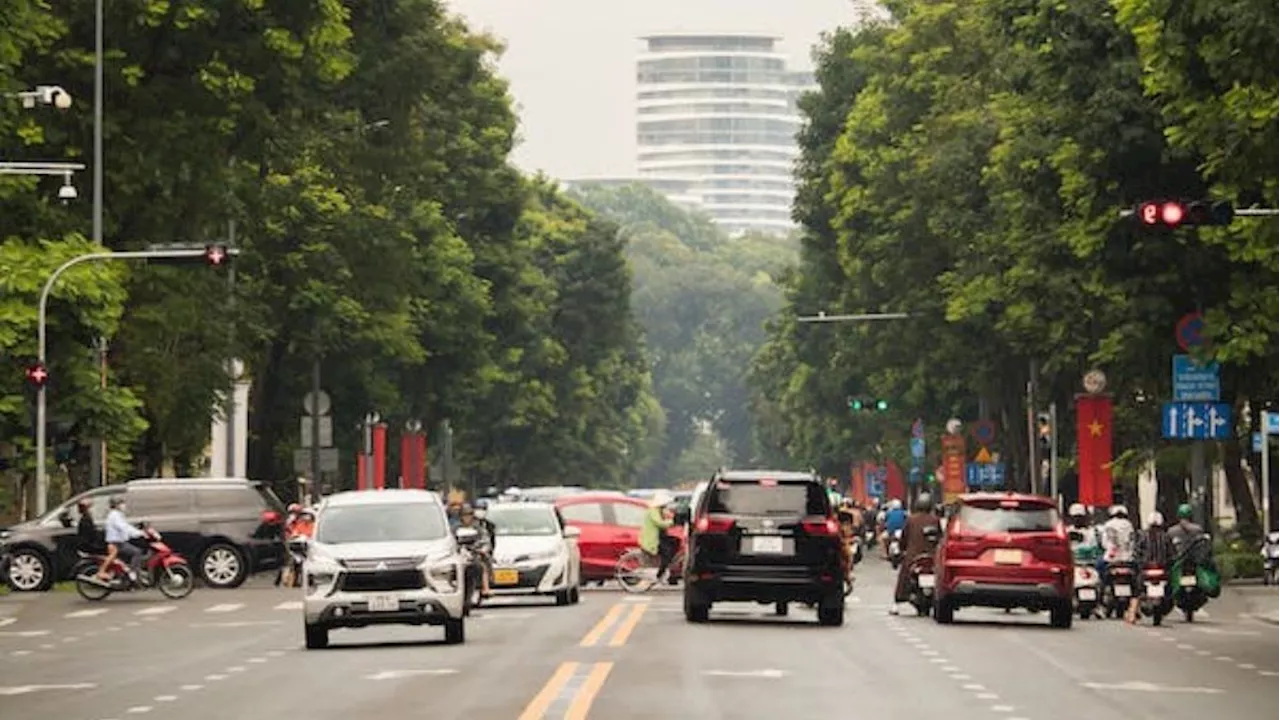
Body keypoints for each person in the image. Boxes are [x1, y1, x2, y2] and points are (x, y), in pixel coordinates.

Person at [891, 492, 941, 615]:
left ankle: (898, 600)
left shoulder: (911, 519)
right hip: (932, 556)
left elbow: (904, 537)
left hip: (913, 556)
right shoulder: (935, 520)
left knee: (904, 577)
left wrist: (902, 548)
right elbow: (941, 537)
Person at [1125, 511, 1175, 623]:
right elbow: (1172, 554)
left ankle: (1132, 614)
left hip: (1147, 569)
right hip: (1161, 570)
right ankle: (1132, 613)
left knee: (1136, 590)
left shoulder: (1143, 536)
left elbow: (1136, 552)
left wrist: (1138, 562)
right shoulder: (1166, 536)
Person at [97, 496, 145, 583]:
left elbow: (126, 526)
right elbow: (124, 527)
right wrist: (139, 533)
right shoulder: (115, 516)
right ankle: (132, 572)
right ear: (116, 505)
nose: (124, 505)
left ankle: (128, 575)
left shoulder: (117, 515)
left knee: (128, 557)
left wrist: (138, 531)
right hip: (116, 544)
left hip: (119, 542)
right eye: (121, 503)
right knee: (137, 552)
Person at [640, 491, 678, 582]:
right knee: (667, 554)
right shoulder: (653, 511)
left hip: (661, 537)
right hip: (653, 539)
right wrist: (672, 522)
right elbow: (660, 523)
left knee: (675, 541)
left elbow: (668, 517)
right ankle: (659, 574)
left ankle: (667, 566)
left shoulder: (659, 510)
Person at [1100, 504, 1137, 592]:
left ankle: (1102, 590)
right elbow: (1133, 542)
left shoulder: (1108, 524)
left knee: (1098, 567)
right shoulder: (1129, 525)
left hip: (1111, 559)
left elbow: (1104, 543)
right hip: (1128, 559)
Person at [457, 504, 492, 597]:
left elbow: (485, 541)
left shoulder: (479, 528)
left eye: (469, 515)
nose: (466, 517)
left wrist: (482, 549)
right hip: (459, 554)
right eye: (464, 515)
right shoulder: (455, 528)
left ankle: (486, 588)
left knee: (483, 563)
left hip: (474, 552)